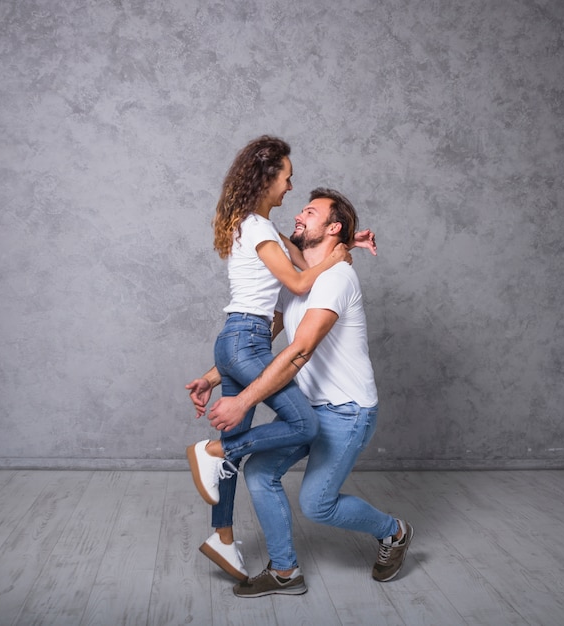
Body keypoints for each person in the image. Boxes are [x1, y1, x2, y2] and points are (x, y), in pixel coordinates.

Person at [201, 187, 413, 597]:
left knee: (317, 505)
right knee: (260, 473)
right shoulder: (299, 281)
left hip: (348, 413)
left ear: (331, 227)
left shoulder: (337, 278)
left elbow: (299, 350)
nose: (299, 214)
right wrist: (212, 377)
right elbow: (268, 333)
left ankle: (396, 532)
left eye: (310, 212)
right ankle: (285, 572)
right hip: (311, 408)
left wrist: (243, 400)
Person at [185, 136, 376, 582]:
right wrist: (341, 253)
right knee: (301, 425)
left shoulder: (255, 227)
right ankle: (212, 451)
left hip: (237, 341)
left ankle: (224, 537)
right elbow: (298, 280)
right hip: (244, 341)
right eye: (287, 179)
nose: (291, 189)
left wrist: (345, 242)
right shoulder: (257, 227)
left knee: (239, 438)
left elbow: (312, 262)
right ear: (268, 178)